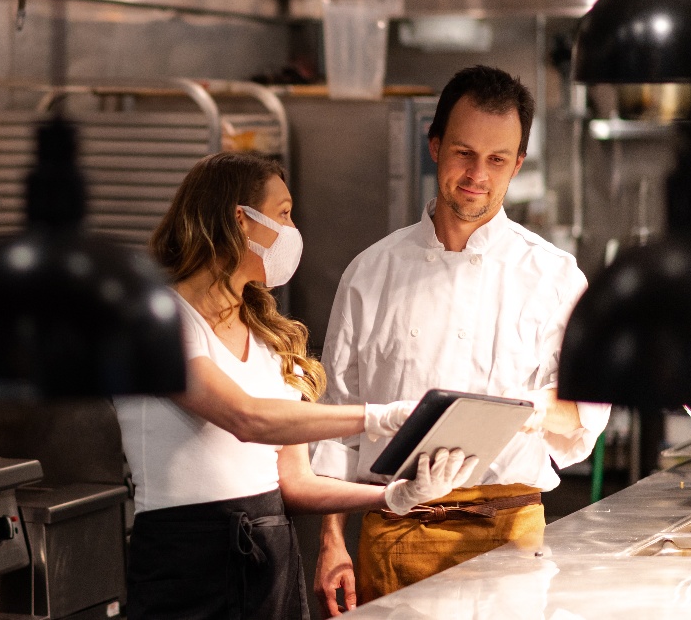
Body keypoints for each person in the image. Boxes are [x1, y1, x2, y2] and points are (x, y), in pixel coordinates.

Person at [114, 151, 479, 620]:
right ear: (239, 220)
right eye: (283, 213)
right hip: (185, 561)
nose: (292, 229)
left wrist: (392, 496)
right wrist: (376, 416)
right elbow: (246, 418)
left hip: (272, 556)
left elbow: (294, 482)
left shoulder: (268, 336)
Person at [311, 65, 611, 613]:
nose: (478, 174)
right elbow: (337, 419)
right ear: (435, 145)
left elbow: (586, 417)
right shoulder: (370, 272)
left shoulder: (555, 277)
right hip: (395, 532)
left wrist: (531, 410)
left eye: (498, 159)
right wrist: (331, 541)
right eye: (464, 153)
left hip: (509, 538)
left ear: (518, 164)